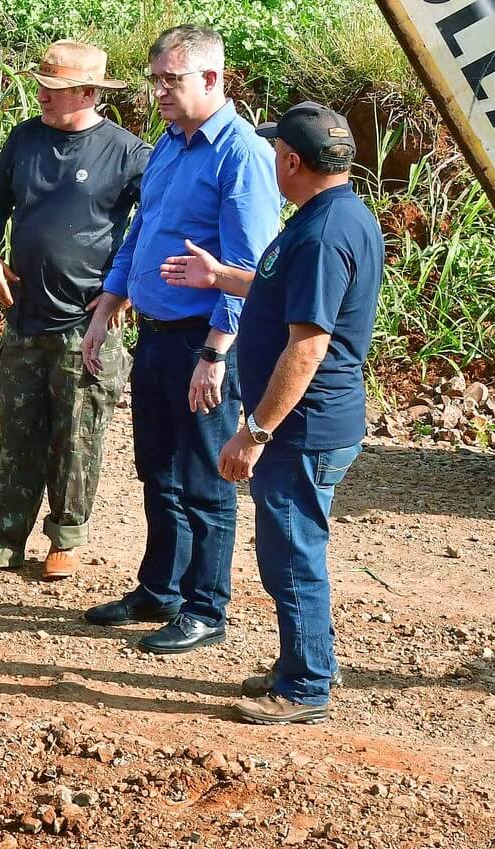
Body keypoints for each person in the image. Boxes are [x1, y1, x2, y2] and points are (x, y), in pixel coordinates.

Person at [160, 101, 382, 724]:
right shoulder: (335, 216)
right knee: (292, 546)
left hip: (303, 427)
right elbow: (283, 293)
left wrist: (254, 430)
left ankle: (307, 685)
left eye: (274, 152)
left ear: (290, 159)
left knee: (291, 553)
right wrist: (221, 278)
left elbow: (307, 346)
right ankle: (303, 665)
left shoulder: (320, 233)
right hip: (309, 424)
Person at [79, 25, 280, 654]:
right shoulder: (168, 145)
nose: (159, 92)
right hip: (157, 336)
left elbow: (247, 264)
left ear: (212, 80)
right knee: (158, 471)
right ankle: (160, 589)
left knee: (204, 478)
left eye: (172, 80)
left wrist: (216, 353)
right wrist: (110, 299)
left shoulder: (240, 156)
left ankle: (205, 607)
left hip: (203, 342)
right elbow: (143, 231)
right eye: (157, 79)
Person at [0, 42, 149, 584]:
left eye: (55, 89)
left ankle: (66, 537)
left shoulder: (129, 153)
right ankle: (2, 539)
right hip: (23, 317)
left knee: (78, 434)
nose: (42, 94)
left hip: (86, 323)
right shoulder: (25, 139)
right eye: (41, 85)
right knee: (14, 429)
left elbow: (153, 226)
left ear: (88, 93)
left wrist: (126, 287)